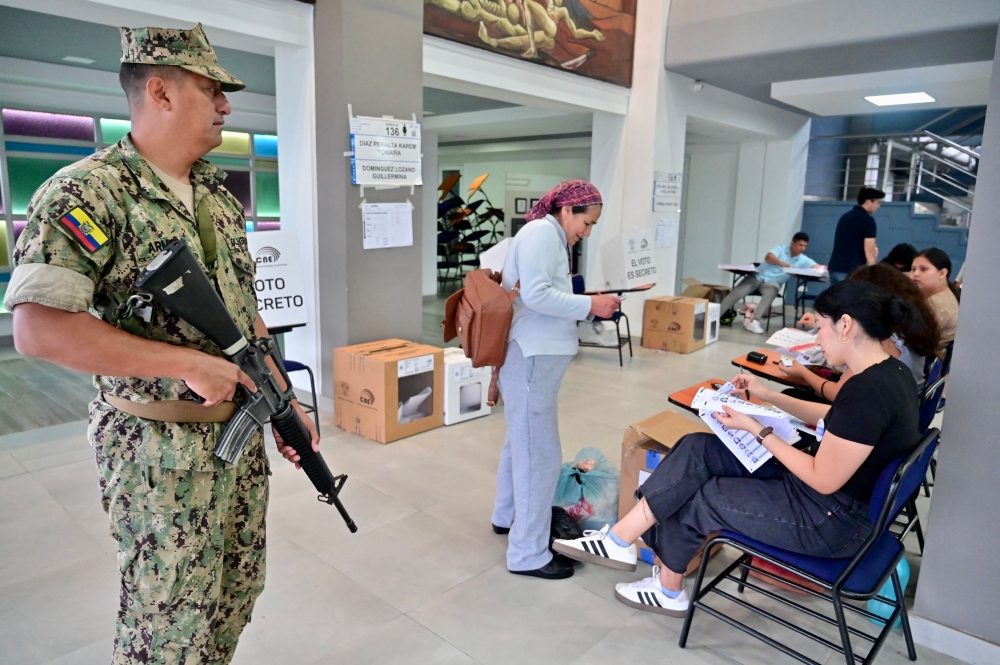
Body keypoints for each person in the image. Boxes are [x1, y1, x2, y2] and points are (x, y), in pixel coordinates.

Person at [3, 24, 317, 663]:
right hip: (157, 452)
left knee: (234, 591)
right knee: (167, 623)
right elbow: (38, 329)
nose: (227, 106)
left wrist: (286, 403)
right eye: (213, 90)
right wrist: (184, 364)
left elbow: (245, 314)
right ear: (161, 92)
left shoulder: (217, 198)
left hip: (236, 443)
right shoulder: (87, 192)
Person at [553, 281, 920, 616]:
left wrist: (757, 429)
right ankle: (620, 539)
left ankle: (668, 589)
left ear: (845, 325)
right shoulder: (891, 372)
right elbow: (836, 416)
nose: (818, 337)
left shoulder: (869, 392)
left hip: (829, 520)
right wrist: (767, 397)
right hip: (827, 498)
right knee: (698, 448)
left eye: (821, 326)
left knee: (701, 496)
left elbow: (823, 479)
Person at [491, 180, 620, 580]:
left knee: (522, 441)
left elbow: (543, 291)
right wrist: (590, 305)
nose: (588, 231)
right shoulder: (541, 234)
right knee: (539, 455)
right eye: (588, 222)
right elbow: (536, 295)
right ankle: (527, 554)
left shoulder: (547, 235)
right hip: (532, 355)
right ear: (567, 211)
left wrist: (586, 300)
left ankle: (507, 515)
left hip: (534, 355)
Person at [788, 264, 939, 398]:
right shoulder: (902, 328)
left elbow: (838, 394)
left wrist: (803, 372)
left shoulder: (880, 343)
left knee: (792, 395)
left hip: (872, 415)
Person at [719, 232, 820, 334]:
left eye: (805, 246)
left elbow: (817, 267)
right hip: (757, 277)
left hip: (773, 282)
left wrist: (824, 269)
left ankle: (754, 321)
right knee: (736, 293)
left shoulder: (803, 259)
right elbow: (768, 257)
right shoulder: (781, 248)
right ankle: (715, 317)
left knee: (771, 292)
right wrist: (781, 263)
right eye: (800, 245)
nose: (802, 248)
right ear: (792, 243)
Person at [828, 187, 885, 282]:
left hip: (834, 268)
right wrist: (874, 274)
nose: (878, 206)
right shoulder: (868, 220)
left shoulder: (845, 217)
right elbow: (869, 252)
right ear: (868, 202)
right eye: (878, 203)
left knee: (836, 296)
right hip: (851, 271)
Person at [910, 248, 960, 344]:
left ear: (942, 273)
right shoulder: (944, 295)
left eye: (923, 269)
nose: (915, 274)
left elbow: (913, 340)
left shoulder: (936, 303)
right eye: (913, 269)